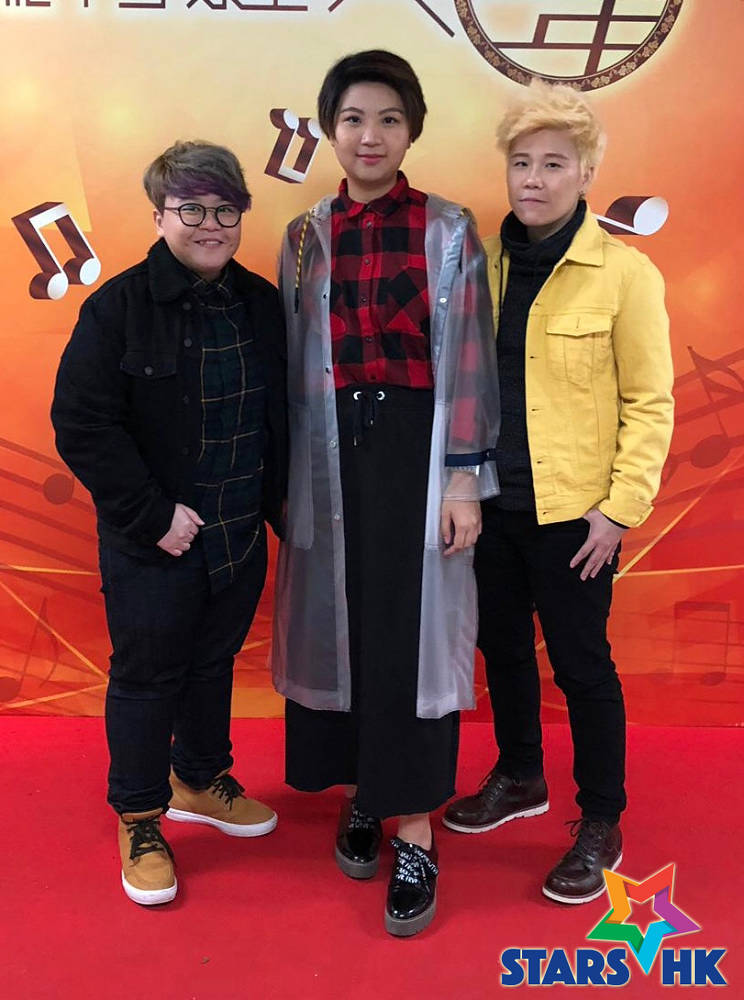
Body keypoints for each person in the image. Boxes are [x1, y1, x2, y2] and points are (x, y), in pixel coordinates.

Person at [271, 50, 499, 936]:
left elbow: (470, 358)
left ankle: (414, 828)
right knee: (345, 621)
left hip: (417, 448)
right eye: (354, 119)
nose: (371, 136)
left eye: (390, 120)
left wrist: (462, 479)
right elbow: (293, 367)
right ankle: (364, 791)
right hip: (328, 449)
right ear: (331, 130)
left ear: (412, 132)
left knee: (408, 631)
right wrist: (288, 478)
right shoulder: (304, 236)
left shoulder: (449, 229)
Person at [443, 80, 674, 904]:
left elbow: (650, 402)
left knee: (581, 665)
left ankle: (602, 816)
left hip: (577, 514)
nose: (533, 179)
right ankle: (520, 775)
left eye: (553, 164)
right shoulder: (478, 263)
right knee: (501, 650)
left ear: (585, 175)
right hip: (491, 502)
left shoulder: (626, 275)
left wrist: (619, 510)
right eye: (521, 163)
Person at [51, 141, 287, 906]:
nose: (211, 224)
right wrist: (152, 515)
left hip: (238, 531)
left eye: (225, 209)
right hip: (153, 540)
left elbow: (279, 418)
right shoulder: (117, 308)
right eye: (192, 209)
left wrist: (282, 508)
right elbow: (82, 423)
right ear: (160, 216)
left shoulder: (260, 303)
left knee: (212, 664)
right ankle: (141, 816)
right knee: (148, 677)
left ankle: (201, 778)